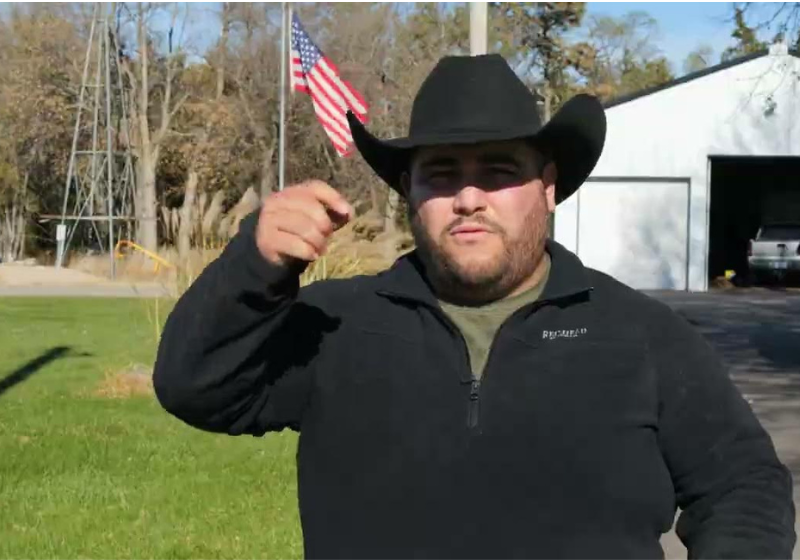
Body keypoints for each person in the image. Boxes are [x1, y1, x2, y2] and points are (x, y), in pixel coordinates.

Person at [153, 54, 795, 559]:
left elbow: (743, 485)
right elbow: (195, 387)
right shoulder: (336, 323)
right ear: (409, 191)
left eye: (497, 171)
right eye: (441, 172)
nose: (468, 197)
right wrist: (254, 267)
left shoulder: (641, 334)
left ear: (547, 188)